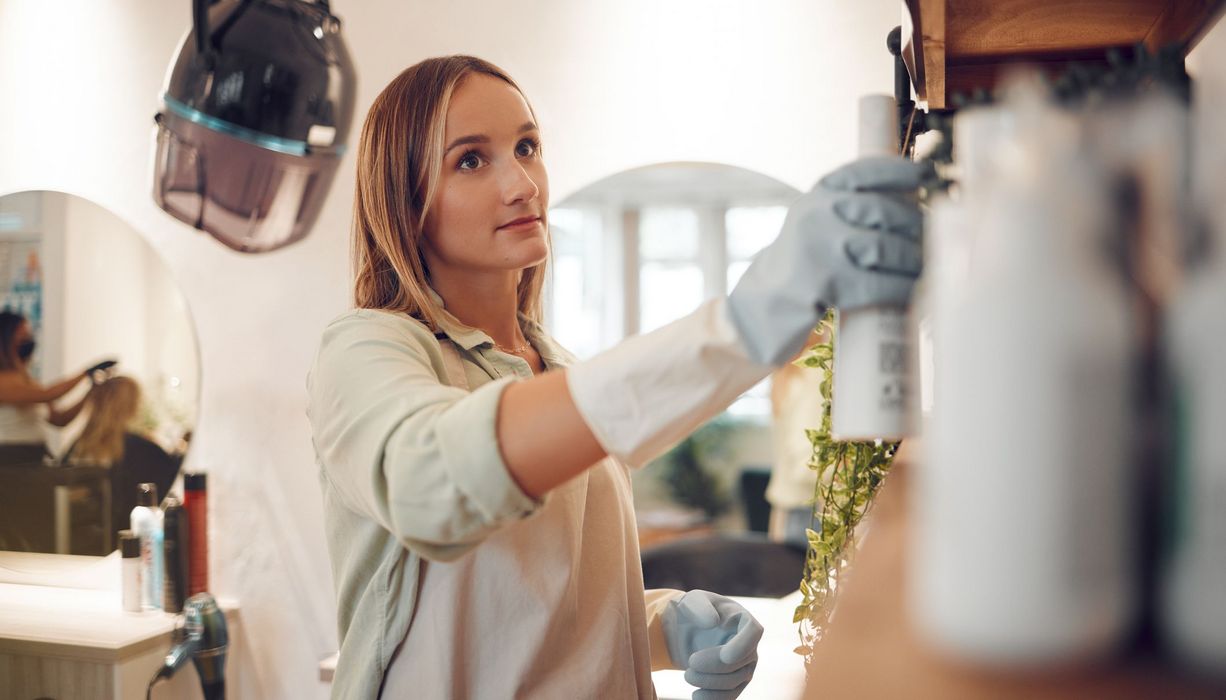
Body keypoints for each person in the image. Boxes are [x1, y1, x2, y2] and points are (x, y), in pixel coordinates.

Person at [307, 55, 925, 699]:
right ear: (405, 198)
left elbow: (535, 605)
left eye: (527, 146)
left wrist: (661, 623)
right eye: (470, 159)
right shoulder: (365, 347)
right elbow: (430, 488)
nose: (523, 184)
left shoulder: (562, 369)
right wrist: (742, 328)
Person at [62, 375, 182, 538]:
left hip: (80, 535)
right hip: (123, 533)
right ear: (130, 406)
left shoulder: (79, 445)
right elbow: (171, 479)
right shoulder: (138, 448)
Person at [0, 310, 114, 462]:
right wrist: (85, 372)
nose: (29, 339)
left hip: (34, 458)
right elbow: (48, 394)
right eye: (23, 334)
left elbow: (60, 419)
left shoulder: (28, 381)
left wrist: (90, 392)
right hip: (10, 460)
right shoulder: (3, 381)